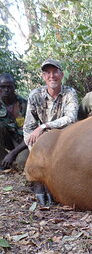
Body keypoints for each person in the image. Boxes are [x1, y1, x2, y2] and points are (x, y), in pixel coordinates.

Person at [23, 58, 79, 205]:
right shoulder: (35, 95)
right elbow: (28, 129)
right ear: (43, 76)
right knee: (25, 161)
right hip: (41, 145)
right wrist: (35, 151)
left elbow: (71, 118)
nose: (51, 76)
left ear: (62, 75)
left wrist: (44, 126)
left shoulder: (70, 93)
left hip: (65, 141)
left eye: (55, 72)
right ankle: (39, 182)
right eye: (47, 73)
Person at [0, 73, 28, 170]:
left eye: (9, 87)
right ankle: (3, 160)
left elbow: (31, 133)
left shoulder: (24, 104)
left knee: (22, 164)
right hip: (6, 140)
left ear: (14, 88)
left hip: (22, 143)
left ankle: (11, 160)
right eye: (3, 87)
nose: (6, 90)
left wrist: (12, 153)